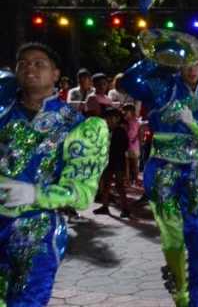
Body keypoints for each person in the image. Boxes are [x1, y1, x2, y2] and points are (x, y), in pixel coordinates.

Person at [122, 35, 198, 307]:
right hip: (162, 169)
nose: (192, 67)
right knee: (171, 236)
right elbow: (127, 82)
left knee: (197, 231)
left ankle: (195, 292)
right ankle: (180, 289)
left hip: (197, 170)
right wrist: (159, 58)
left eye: (196, 61)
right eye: (186, 61)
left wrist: (191, 123)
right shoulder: (163, 86)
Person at [0, 43, 110, 306]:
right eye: (23, 63)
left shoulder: (76, 124)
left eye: (39, 63)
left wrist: (35, 194)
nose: (30, 68)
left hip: (36, 229)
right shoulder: (4, 111)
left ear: (56, 74)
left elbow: (82, 193)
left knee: (26, 300)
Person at [94, 106, 132, 219]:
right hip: (108, 161)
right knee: (106, 185)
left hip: (117, 162)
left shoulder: (120, 131)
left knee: (119, 186)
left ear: (117, 118)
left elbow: (123, 147)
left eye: (110, 118)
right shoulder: (107, 130)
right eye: (106, 119)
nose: (107, 121)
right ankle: (105, 206)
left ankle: (125, 209)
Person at [122, 104, 142, 186]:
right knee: (126, 164)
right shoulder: (125, 122)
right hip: (126, 145)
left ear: (131, 112)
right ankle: (127, 180)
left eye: (126, 111)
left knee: (135, 164)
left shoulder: (137, 122)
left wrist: (136, 139)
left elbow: (139, 133)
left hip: (134, 145)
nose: (124, 113)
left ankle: (136, 179)